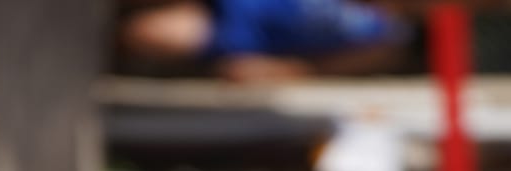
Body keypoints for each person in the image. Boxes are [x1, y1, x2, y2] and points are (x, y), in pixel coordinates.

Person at [116, 0, 418, 83]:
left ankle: (118, 42)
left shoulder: (384, 43)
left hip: (248, 34)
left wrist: (269, 70)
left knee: (152, 32)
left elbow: (316, 69)